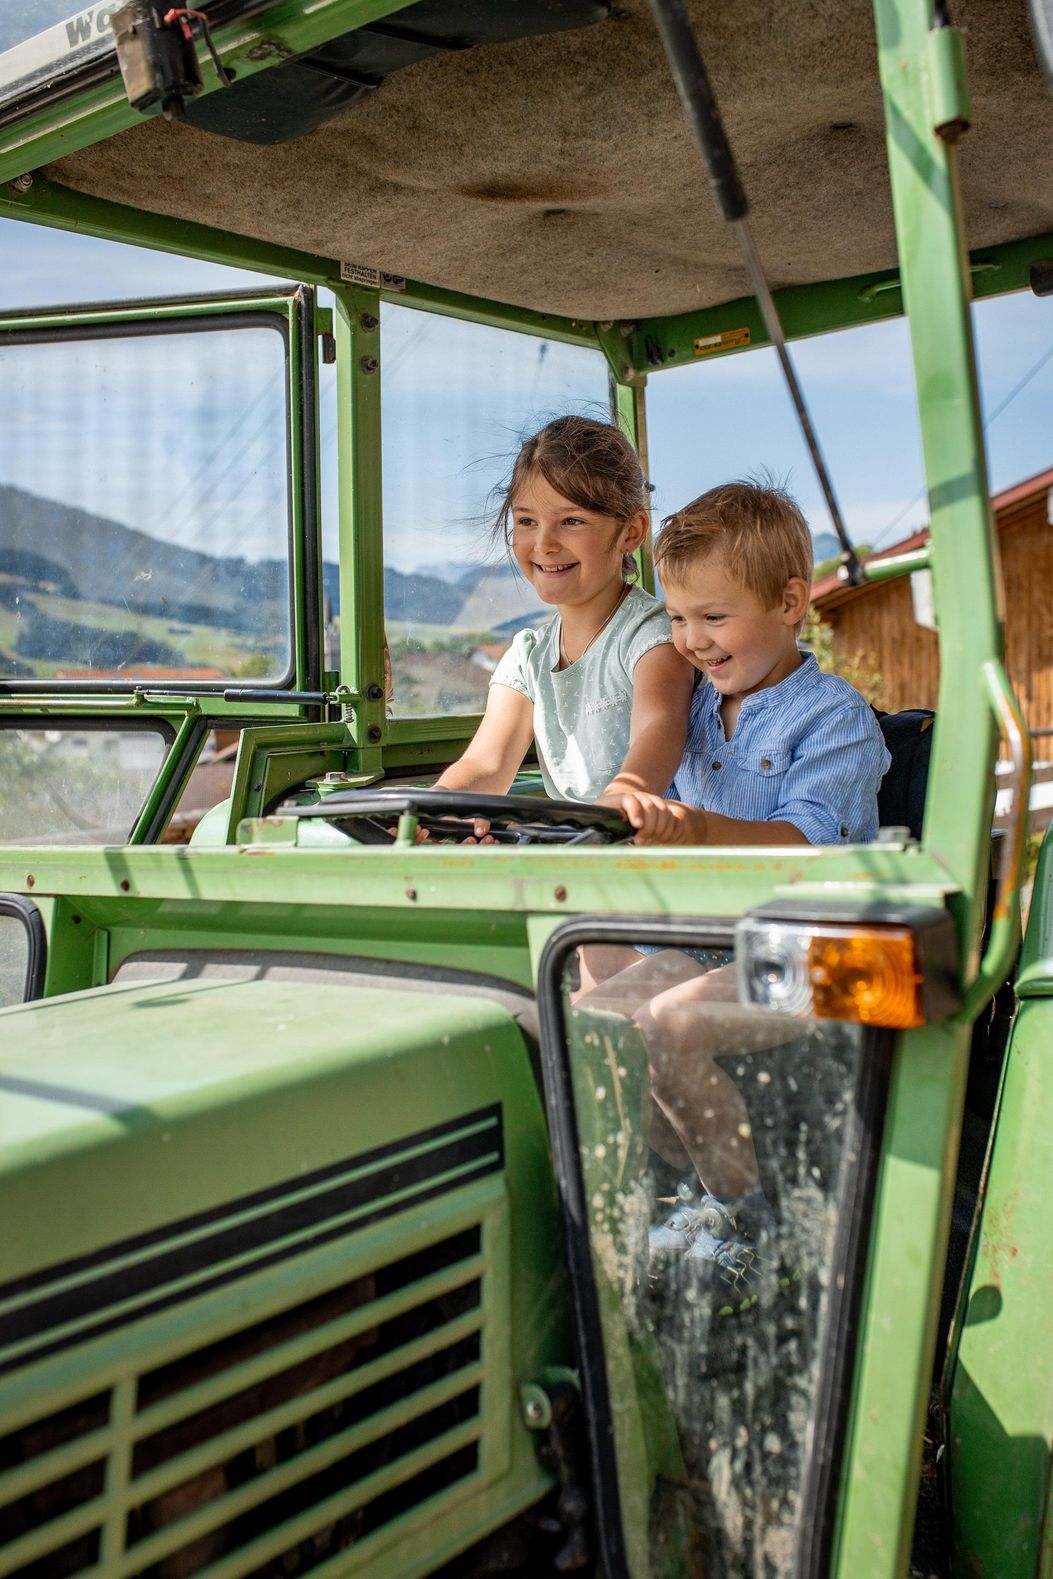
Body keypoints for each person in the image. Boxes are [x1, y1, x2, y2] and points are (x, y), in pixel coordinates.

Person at [584, 479, 891, 1220]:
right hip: (720, 946)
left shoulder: (833, 717)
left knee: (671, 1025)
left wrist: (691, 828)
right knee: (593, 1023)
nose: (692, 640)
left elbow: (806, 847)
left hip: (833, 955)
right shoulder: (688, 707)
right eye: (680, 618)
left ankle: (748, 1222)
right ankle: (682, 1196)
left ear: (789, 603)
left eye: (714, 616)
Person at [432, 415, 693, 815]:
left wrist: (617, 806)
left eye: (572, 521)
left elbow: (658, 730)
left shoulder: (651, 637)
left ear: (632, 531)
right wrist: (433, 809)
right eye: (527, 522)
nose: (544, 543)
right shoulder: (527, 656)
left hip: (649, 853)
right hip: (576, 851)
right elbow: (486, 764)